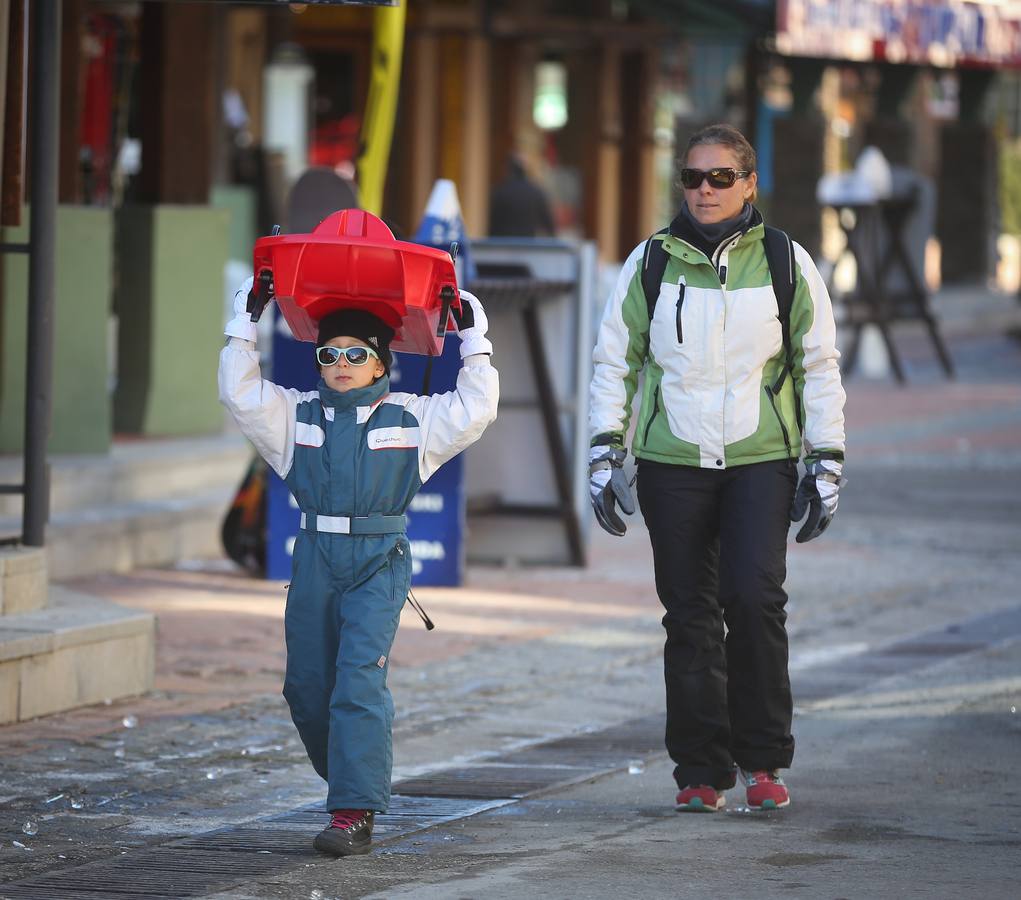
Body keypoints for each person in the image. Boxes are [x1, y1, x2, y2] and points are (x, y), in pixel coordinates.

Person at [588, 123, 845, 813]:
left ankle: (763, 761)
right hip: (671, 461)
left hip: (759, 460)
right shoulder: (650, 262)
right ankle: (700, 772)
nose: (703, 190)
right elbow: (616, 360)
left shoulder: (786, 263)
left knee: (753, 600)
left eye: (719, 177)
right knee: (689, 616)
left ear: (748, 184)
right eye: (692, 178)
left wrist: (825, 459)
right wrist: (603, 448)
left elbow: (816, 366)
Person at [218, 284, 498, 854]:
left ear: (380, 360)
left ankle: (353, 808)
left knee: (358, 682)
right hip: (315, 558)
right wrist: (245, 322)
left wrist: (474, 336)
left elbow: (477, 406)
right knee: (306, 688)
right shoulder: (294, 416)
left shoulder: (412, 417)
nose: (341, 365)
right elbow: (239, 393)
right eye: (329, 354)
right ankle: (351, 778)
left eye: (355, 353)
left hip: (379, 563)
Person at [488, 153, 555, 237]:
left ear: (508, 169)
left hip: (503, 244)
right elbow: (548, 224)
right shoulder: (536, 192)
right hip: (527, 245)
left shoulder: (499, 191)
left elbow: (492, 224)